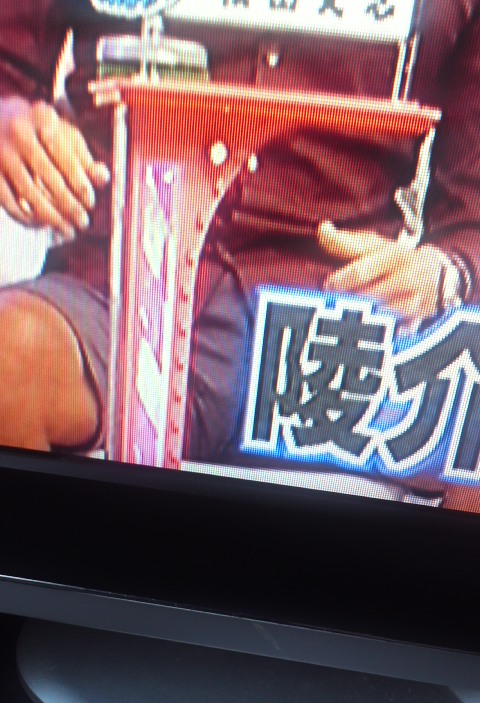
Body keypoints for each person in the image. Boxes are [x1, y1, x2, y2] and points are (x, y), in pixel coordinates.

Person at [0, 1, 479, 497]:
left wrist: (443, 272)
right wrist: (8, 120)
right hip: (124, 276)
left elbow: (472, 221)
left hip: (329, 316)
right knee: (8, 359)